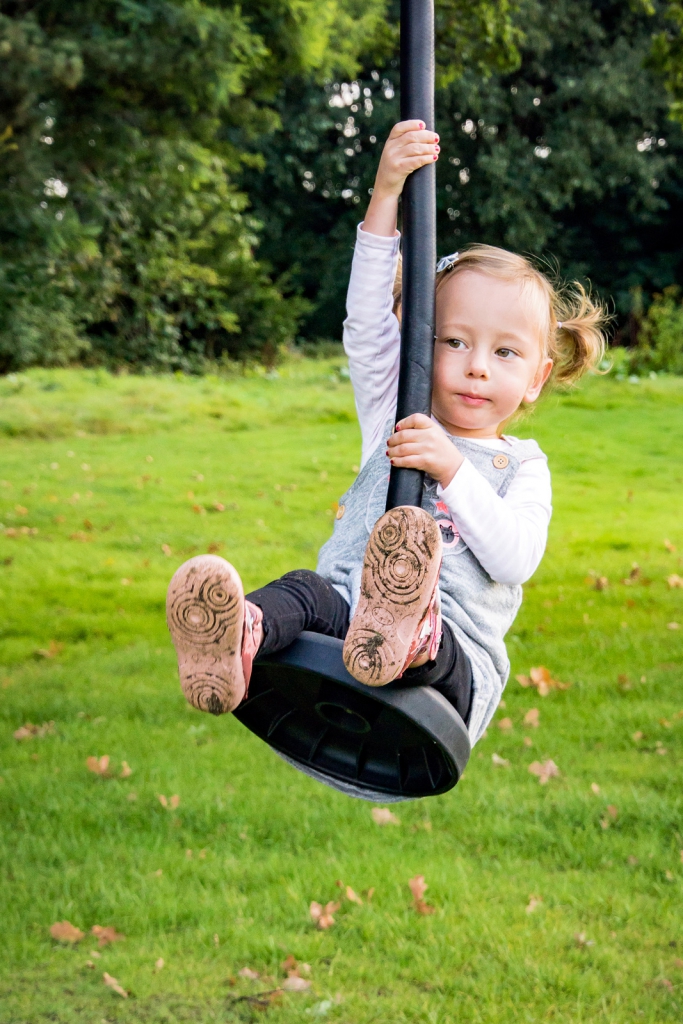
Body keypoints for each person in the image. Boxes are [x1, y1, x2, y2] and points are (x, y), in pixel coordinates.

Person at [166, 119, 608, 759]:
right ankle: (232, 640)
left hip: (450, 668)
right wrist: (385, 192)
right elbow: (365, 322)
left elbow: (515, 560)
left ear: (538, 378)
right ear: (421, 342)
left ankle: (410, 633)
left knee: (433, 639)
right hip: (348, 624)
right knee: (306, 590)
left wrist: (453, 469)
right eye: (454, 341)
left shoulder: (523, 469)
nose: (477, 364)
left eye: (504, 352)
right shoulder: (394, 416)